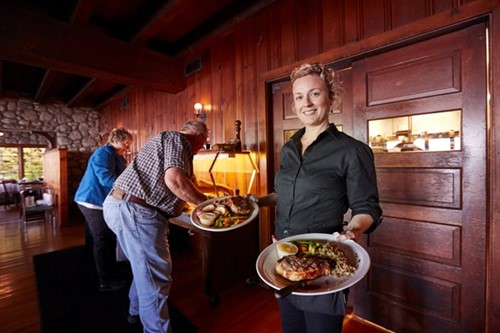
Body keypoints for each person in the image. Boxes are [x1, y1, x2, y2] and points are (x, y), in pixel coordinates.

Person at [249, 63, 383, 333]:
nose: (306, 103)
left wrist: (354, 230)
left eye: (315, 94)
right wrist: (258, 202)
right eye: (299, 97)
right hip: (283, 258)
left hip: (321, 262)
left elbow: (366, 206)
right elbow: (287, 194)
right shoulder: (288, 148)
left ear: (331, 98)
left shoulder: (352, 151)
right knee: (292, 328)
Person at [102, 119, 229, 333]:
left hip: (122, 205)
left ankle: (134, 311)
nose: (202, 147)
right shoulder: (177, 139)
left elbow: (189, 183)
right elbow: (176, 182)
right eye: (205, 141)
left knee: (143, 269)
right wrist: (210, 205)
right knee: (155, 281)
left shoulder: (173, 146)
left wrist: (221, 188)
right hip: (137, 211)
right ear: (201, 137)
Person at [75, 127, 134, 292]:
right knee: (104, 238)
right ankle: (105, 280)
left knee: (95, 237)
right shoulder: (104, 153)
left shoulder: (115, 155)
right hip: (92, 200)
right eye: (126, 143)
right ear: (116, 140)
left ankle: (101, 267)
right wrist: (130, 190)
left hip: (94, 199)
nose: (128, 147)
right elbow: (106, 178)